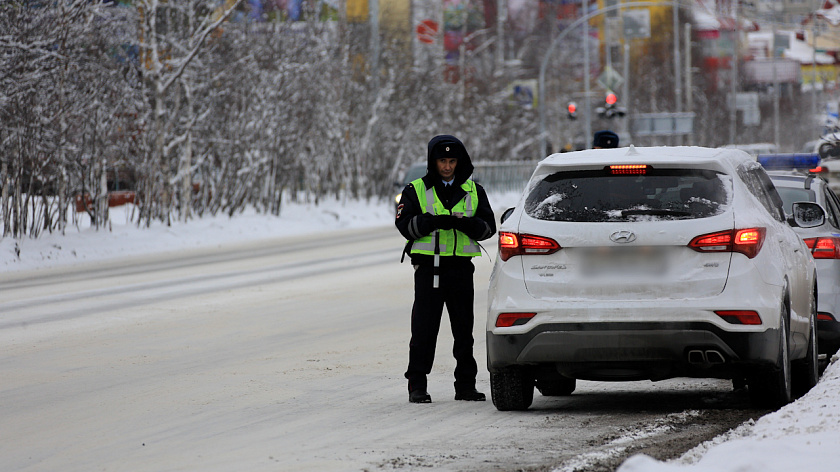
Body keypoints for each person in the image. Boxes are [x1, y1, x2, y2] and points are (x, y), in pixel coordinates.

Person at [395, 135, 496, 404]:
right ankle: (417, 385)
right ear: (433, 162)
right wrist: (432, 221)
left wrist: (465, 224)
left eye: (452, 161)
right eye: (442, 161)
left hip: (460, 268)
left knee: (464, 330)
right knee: (424, 329)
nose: (448, 166)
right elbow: (405, 225)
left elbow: (488, 227)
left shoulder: (474, 190)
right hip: (429, 268)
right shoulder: (415, 190)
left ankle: (465, 386)